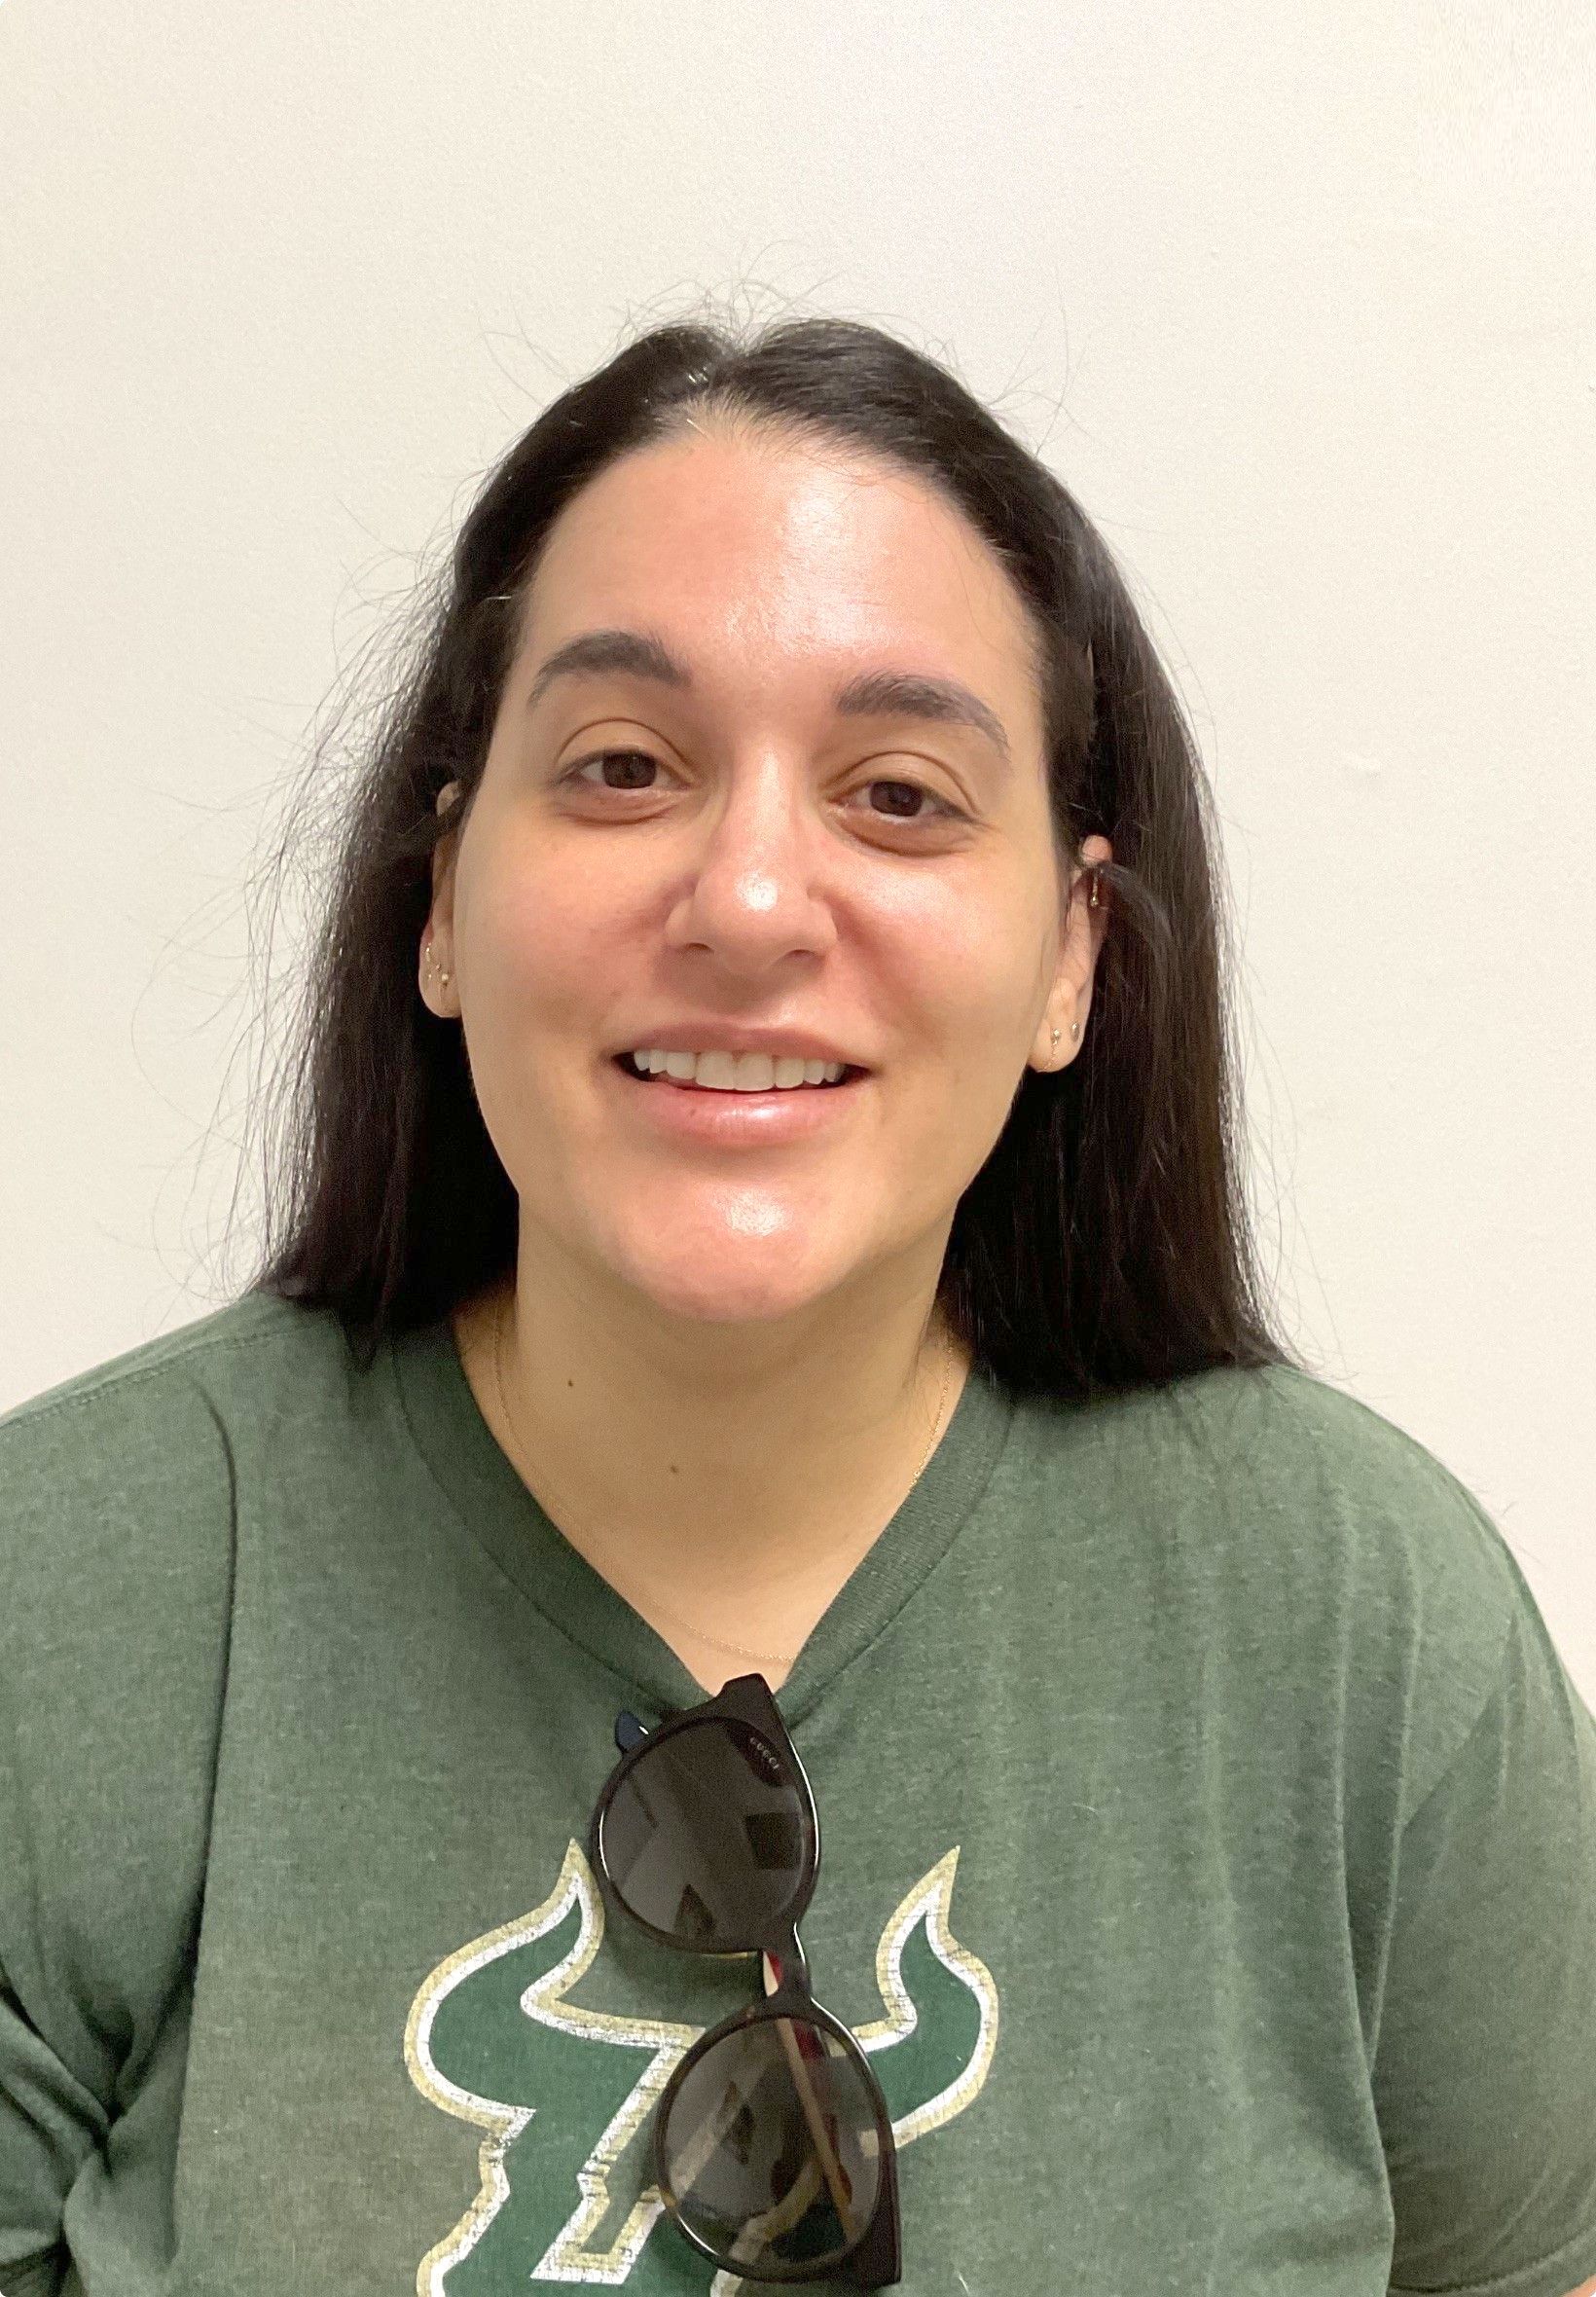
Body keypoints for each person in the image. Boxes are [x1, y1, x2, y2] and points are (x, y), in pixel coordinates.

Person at [3, 312, 1593, 2297]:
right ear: (438, 901)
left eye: (901, 794)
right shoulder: (62, 1602)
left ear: (1069, 962)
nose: (750, 900)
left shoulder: (1370, 1632)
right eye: (620, 767)